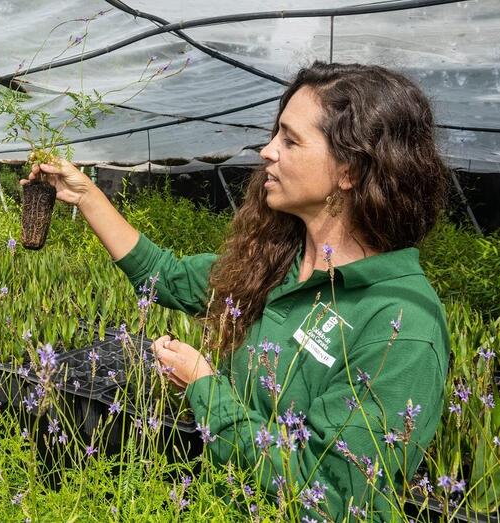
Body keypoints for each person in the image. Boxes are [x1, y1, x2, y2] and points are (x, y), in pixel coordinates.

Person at [23, 62, 449, 520]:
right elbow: (164, 277)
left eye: (290, 140)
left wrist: (204, 386)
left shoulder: (401, 328)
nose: (267, 151)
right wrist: (85, 194)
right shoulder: (276, 265)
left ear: (349, 169)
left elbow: (328, 499)